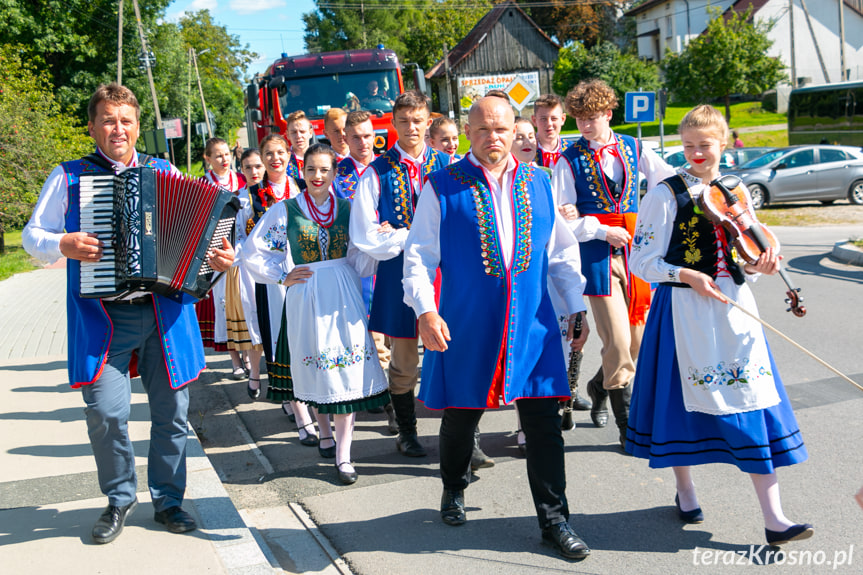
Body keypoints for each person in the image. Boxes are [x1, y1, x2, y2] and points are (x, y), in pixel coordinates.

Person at [22, 83, 234, 543]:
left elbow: (195, 234)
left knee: (173, 411)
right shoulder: (71, 176)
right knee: (105, 412)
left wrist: (215, 256)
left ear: (138, 126)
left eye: (126, 120)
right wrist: (62, 243)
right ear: (94, 125)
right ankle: (119, 498)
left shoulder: (164, 171)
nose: (118, 128)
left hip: (163, 313)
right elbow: (31, 234)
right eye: (108, 119)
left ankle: (169, 500)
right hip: (104, 318)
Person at [403, 93, 591, 560]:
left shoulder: (541, 181)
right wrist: (426, 310)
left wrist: (576, 309)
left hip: (532, 324)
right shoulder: (443, 185)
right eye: (483, 129)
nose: (493, 137)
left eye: (502, 128)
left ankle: (555, 521)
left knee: (545, 425)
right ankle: (453, 487)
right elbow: (419, 255)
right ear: (468, 132)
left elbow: (562, 254)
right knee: (463, 415)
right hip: (468, 322)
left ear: (515, 131)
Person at [626, 104, 812, 546]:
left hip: (735, 307)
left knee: (752, 399)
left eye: (704, 146)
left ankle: (775, 518)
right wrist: (686, 274)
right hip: (684, 312)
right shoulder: (664, 194)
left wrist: (766, 258)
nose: (695, 153)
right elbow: (641, 261)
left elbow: (751, 239)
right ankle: (685, 490)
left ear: (723, 145)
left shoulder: (735, 188)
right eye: (688, 146)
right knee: (681, 405)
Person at [244, 144, 390, 484]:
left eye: (324, 169)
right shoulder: (286, 210)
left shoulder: (348, 209)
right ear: (303, 172)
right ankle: (323, 432)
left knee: (345, 373)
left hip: (342, 292)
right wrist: (282, 275)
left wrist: (378, 241)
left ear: (335, 172)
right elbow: (253, 250)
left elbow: (360, 256)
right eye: (311, 169)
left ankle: (344, 455)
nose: (317, 176)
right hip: (306, 294)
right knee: (318, 369)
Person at [553, 79, 675, 448]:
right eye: (580, 120)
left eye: (592, 118)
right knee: (619, 341)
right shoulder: (568, 159)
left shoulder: (634, 147)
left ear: (608, 114)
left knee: (637, 341)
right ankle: (628, 429)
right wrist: (600, 229)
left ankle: (598, 386)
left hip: (636, 254)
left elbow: (669, 183)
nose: (585, 126)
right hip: (597, 258)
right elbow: (562, 223)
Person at [350, 90, 449, 458]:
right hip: (397, 273)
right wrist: (408, 237)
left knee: (451, 353)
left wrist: (400, 232)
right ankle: (406, 431)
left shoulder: (448, 165)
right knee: (405, 359)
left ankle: (463, 438)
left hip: (444, 273)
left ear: (428, 123)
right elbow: (366, 235)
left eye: (418, 120)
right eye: (404, 121)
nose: (411, 127)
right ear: (392, 125)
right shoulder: (377, 172)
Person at [244, 135, 318, 444]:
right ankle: (301, 415)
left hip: (306, 275)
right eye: (269, 153)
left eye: (280, 152)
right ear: (262, 158)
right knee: (280, 342)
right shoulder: (251, 197)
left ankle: (308, 399)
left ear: (289, 155)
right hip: (275, 282)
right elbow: (244, 244)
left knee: (306, 340)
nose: (275, 158)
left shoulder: (303, 187)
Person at [334, 110, 398, 434]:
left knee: (397, 338)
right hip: (359, 267)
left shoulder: (390, 168)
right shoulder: (338, 177)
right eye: (355, 136)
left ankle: (393, 399)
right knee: (372, 339)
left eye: (367, 135)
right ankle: (388, 403)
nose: (363, 142)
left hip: (393, 261)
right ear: (344, 137)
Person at [202, 137, 248, 379]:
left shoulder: (241, 181)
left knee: (243, 302)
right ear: (208, 159)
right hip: (216, 251)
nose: (224, 159)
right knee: (225, 306)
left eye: (226, 154)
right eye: (217, 155)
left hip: (240, 249)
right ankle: (235, 359)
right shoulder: (203, 184)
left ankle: (249, 354)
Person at [230, 148, 267, 401]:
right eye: (248, 168)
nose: (254, 172)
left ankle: (286, 390)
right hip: (252, 269)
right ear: (241, 171)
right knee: (257, 324)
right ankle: (254, 372)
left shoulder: (280, 193)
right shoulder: (239, 200)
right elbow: (238, 238)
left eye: (258, 166)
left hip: (282, 268)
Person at [532, 94, 571, 168]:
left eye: (554, 118)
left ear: (562, 119)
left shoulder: (571, 150)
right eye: (543, 119)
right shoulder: (526, 151)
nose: (549, 124)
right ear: (534, 120)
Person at [286, 110, 314, 187]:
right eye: (294, 132)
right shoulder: (283, 160)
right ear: (287, 135)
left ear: (310, 133)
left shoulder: (320, 157)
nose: (298, 136)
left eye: (302, 131)